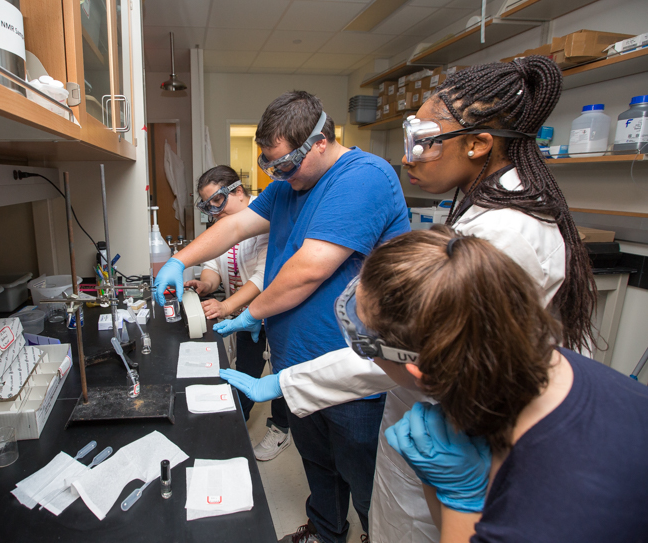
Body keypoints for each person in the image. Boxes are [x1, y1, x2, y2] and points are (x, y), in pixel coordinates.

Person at [220, 56, 599, 542]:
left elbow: (418, 352)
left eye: (424, 142)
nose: (408, 157)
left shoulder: (508, 233)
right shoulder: (478, 207)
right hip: (430, 418)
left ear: (480, 143)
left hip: (467, 438)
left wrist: (288, 383)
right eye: (409, 138)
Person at [154, 91, 410, 543]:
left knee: (365, 479)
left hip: (354, 370)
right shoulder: (289, 187)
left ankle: (377, 536)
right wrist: (180, 261)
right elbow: (232, 227)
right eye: (269, 166)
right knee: (318, 466)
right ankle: (327, 532)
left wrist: (248, 311)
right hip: (297, 364)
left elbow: (310, 269)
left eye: (283, 164)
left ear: (319, 142)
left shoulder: (363, 177)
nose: (276, 175)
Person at [348, 227, 648, 542]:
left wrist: (460, 498)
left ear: (420, 370)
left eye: (363, 339)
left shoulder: (544, 511)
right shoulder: (550, 364)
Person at [185, 165, 291, 461]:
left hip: (274, 313)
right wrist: (205, 284)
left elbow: (262, 277)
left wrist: (227, 306)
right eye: (208, 206)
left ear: (238, 192)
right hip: (246, 320)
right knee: (245, 372)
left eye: (217, 202)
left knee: (282, 375)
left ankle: (281, 429)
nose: (214, 211)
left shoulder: (264, 220)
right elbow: (215, 266)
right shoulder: (222, 226)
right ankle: (232, 427)